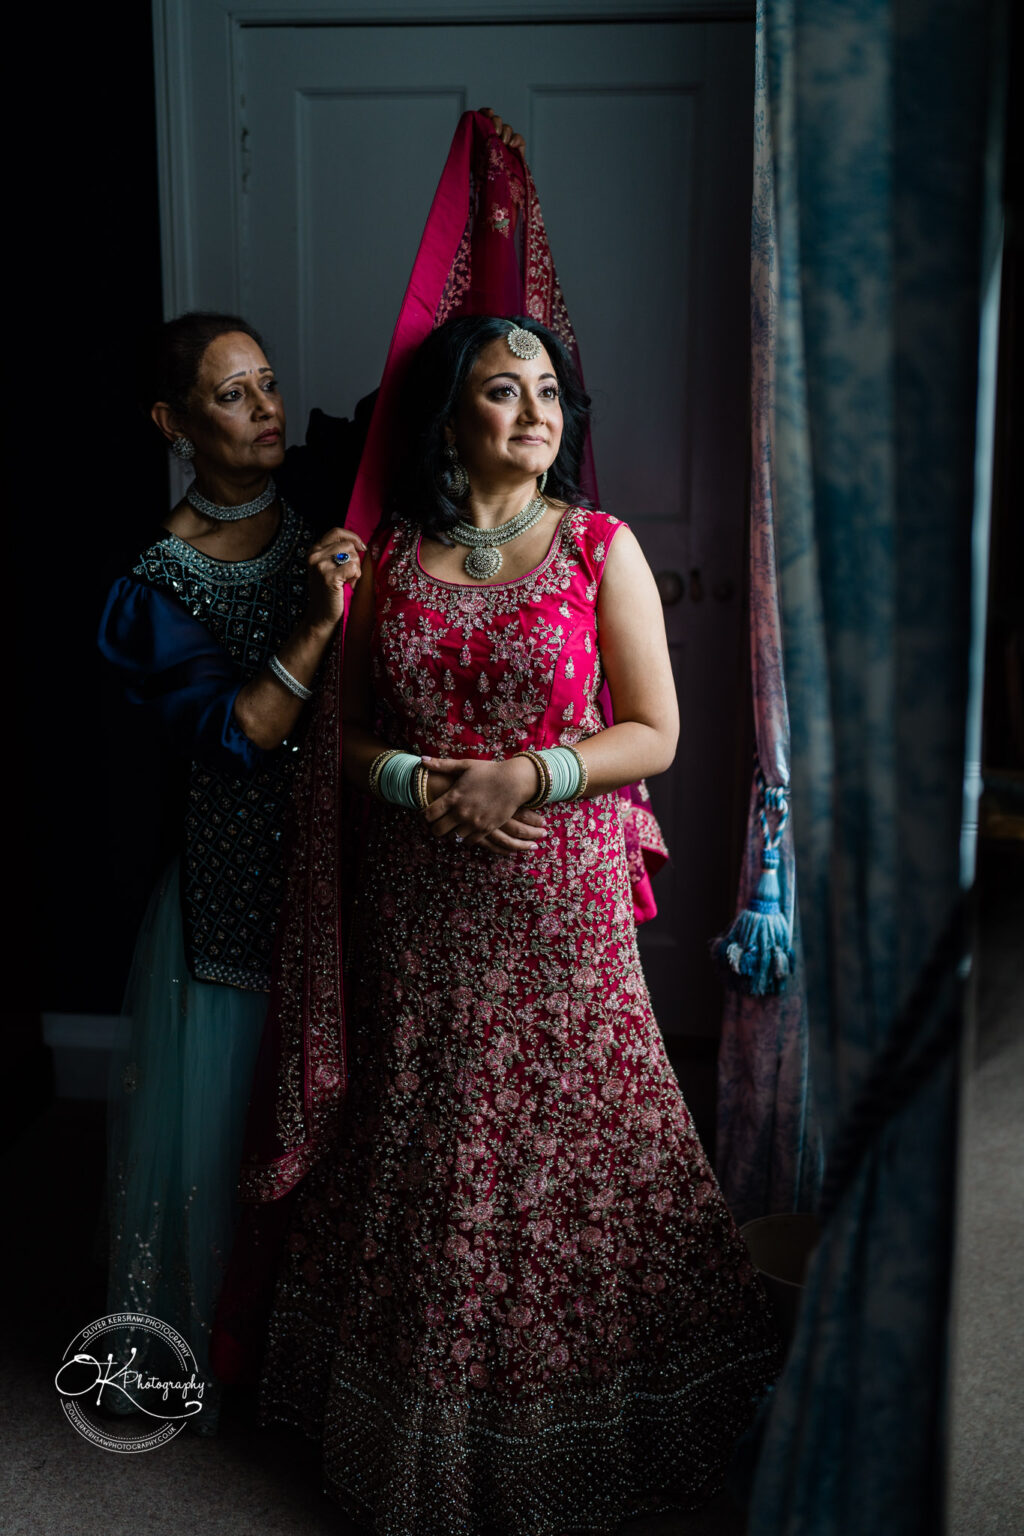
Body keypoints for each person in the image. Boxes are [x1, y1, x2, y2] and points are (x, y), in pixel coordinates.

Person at [257, 312, 781, 1532]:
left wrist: (527, 775)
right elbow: (340, 743)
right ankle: (421, 1437)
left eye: (551, 391)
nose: (538, 411)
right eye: (505, 391)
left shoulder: (599, 544)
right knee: (431, 1132)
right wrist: (423, 785)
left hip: (559, 897)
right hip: (417, 894)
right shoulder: (382, 557)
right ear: (450, 418)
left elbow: (653, 732)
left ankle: (608, 1420)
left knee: (576, 1135)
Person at [97, 311, 365, 1423]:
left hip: (343, 867)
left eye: (265, 385)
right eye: (230, 395)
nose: (263, 409)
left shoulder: (327, 500)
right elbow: (242, 731)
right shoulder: (155, 585)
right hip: (225, 893)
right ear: (173, 423)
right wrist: (310, 627)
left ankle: (331, 1355)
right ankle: (226, 1352)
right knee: (224, 1129)